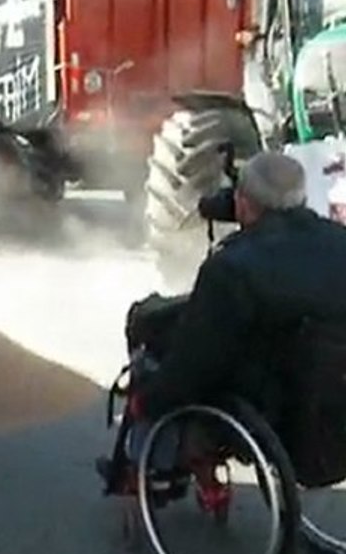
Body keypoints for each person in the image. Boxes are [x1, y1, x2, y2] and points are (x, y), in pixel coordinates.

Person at [99, 151, 346, 484]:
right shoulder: (338, 240)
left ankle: (147, 463)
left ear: (243, 204)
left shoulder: (229, 269)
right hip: (329, 392)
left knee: (153, 353)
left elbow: (197, 364)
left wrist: (149, 401)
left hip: (271, 403)